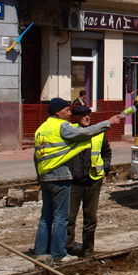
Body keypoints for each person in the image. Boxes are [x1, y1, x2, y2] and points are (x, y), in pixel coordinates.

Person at [33, 97, 123, 263]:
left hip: (46, 177)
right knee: (62, 218)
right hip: (61, 176)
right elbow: (83, 133)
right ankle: (59, 254)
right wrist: (108, 122)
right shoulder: (62, 127)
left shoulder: (41, 129)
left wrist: (40, 177)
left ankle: (40, 252)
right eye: (66, 110)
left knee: (46, 217)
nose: (69, 113)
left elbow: (36, 156)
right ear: (56, 112)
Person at [65, 106, 112, 259]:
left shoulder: (98, 134)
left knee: (90, 218)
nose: (87, 118)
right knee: (69, 217)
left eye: (88, 115)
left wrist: (105, 169)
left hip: (93, 180)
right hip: (73, 181)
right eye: (83, 115)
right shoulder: (69, 131)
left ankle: (88, 250)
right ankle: (67, 247)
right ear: (76, 117)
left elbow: (106, 153)